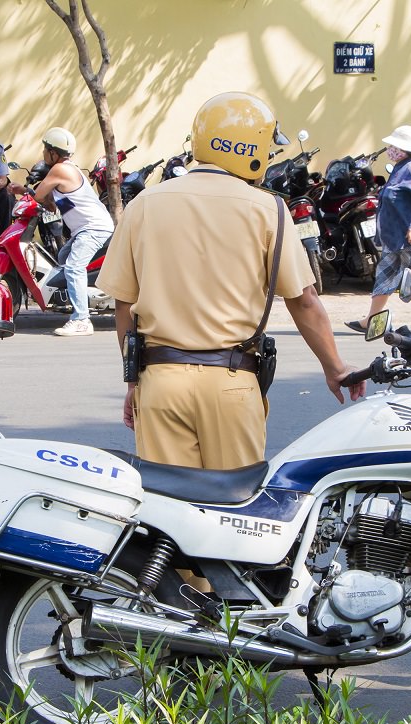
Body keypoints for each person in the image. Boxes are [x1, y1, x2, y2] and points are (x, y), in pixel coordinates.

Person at [97, 91, 366, 470]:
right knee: (233, 514)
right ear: (249, 148)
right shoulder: (268, 209)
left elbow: (124, 306)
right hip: (232, 383)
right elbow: (303, 300)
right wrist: (334, 366)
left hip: (160, 381)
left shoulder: (145, 203)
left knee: (169, 513)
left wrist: (134, 380)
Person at [12, 127, 114, 337]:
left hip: (93, 228)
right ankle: (78, 297)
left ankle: (81, 320)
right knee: (63, 256)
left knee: (74, 268)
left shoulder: (60, 170)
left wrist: (22, 191)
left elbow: (38, 196)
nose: (43, 153)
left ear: (53, 153)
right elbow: (53, 205)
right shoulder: (67, 171)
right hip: (87, 228)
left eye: (45, 149)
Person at [347, 125, 411, 335]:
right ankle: (371, 320)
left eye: (393, 146)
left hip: (409, 238)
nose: (389, 149)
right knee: (384, 277)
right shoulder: (400, 169)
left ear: (403, 149)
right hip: (394, 238)